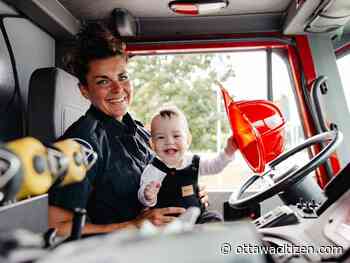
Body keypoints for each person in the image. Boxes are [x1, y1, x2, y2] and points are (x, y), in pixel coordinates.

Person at [48, 22, 209, 236]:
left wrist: (187, 192)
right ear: (85, 90)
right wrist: (132, 226)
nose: (118, 89)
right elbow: (56, 227)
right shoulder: (80, 145)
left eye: (122, 77)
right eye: (104, 81)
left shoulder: (143, 133)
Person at [138, 105, 237, 223]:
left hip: (198, 219)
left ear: (188, 140)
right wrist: (148, 196)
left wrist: (228, 151)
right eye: (161, 137)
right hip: (168, 223)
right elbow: (143, 198)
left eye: (176, 136)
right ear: (152, 144)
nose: (169, 141)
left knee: (214, 218)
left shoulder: (193, 162)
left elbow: (214, 166)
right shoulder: (153, 169)